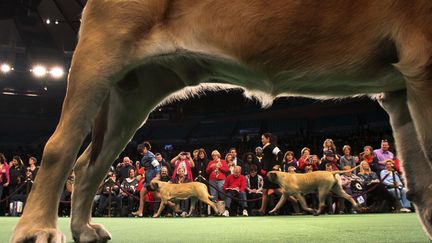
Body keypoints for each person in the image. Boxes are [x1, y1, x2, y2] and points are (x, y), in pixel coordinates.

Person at [255, 133, 283, 215]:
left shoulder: (271, 146)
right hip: (269, 173)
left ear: (268, 139)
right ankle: (262, 210)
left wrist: (278, 165)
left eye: (263, 138)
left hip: (271, 173)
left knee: (278, 191)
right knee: (265, 191)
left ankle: (295, 202)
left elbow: (280, 154)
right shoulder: (267, 147)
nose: (262, 140)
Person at [133, 141, 160, 217]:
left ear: (145, 148)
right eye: (140, 152)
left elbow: (157, 165)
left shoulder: (150, 155)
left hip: (151, 179)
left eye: (142, 151)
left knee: (158, 196)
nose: (141, 153)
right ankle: (140, 212)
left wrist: (157, 175)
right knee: (142, 193)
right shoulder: (147, 155)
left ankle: (173, 205)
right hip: (148, 178)